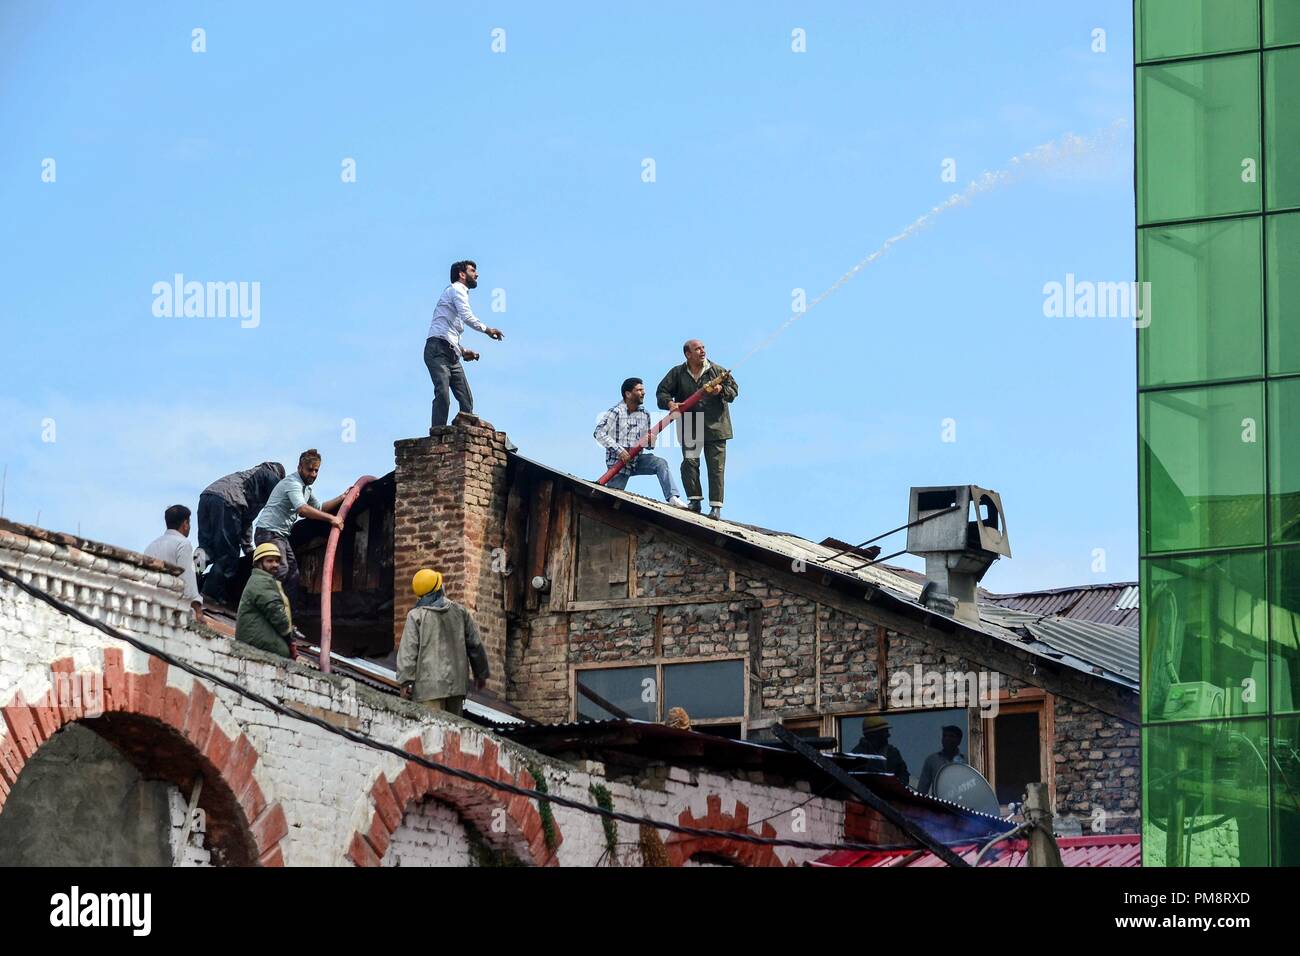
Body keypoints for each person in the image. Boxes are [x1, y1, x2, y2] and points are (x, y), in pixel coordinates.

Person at [251, 449, 347, 614]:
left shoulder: (306, 489)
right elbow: (303, 510)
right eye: (310, 470)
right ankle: (264, 610)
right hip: (268, 531)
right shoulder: (293, 483)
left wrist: (342, 497)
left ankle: (288, 617)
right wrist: (332, 519)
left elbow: (318, 508)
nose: (313, 474)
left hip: (280, 535)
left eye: (316, 470)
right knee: (280, 570)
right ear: (300, 468)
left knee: (293, 576)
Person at [655, 339, 738, 520]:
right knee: (690, 463)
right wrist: (670, 403)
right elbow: (661, 392)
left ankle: (715, 507)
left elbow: (733, 391)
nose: (702, 351)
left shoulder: (717, 370)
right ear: (688, 354)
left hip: (716, 426)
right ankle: (694, 500)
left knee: (716, 468)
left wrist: (720, 390)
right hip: (690, 424)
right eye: (697, 349)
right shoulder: (677, 373)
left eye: (703, 348)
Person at [396, 569, 490, 716]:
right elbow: (475, 645)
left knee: (431, 734)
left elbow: (408, 652)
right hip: (456, 688)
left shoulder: (416, 616)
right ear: (440, 587)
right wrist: (481, 673)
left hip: (428, 689)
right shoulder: (460, 612)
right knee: (452, 735)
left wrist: (405, 682)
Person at [425, 260, 506, 428]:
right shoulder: (456, 290)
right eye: (472, 270)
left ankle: (463, 435)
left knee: (466, 399)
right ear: (462, 274)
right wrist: (488, 330)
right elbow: (467, 316)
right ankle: (438, 434)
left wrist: (462, 351)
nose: (476, 274)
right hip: (437, 350)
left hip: (451, 353)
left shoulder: (456, 294)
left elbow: (450, 331)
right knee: (443, 395)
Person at [197, 461, 285, 608]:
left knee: (206, 548)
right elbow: (282, 491)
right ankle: (210, 595)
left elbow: (246, 521)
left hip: (207, 497)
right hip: (227, 501)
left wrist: (248, 548)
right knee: (228, 555)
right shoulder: (267, 473)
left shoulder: (249, 481)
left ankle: (191, 580)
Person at [595, 377, 687, 507]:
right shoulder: (616, 412)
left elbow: (646, 443)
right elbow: (599, 433)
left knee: (660, 463)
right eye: (639, 390)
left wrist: (650, 442)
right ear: (628, 394)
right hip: (618, 465)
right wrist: (619, 451)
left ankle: (672, 497)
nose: (643, 393)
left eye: (643, 390)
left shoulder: (645, 414)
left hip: (636, 460)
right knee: (612, 501)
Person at [144, 505, 203, 624]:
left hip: (149, 606)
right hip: (173, 610)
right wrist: (198, 611)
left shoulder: (151, 545)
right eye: (189, 523)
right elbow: (188, 581)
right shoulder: (183, 544)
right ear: (185, 524)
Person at [233, 542, 294, 658]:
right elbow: (276, 613)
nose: (275, 564)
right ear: (259, 564)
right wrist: (289, 636)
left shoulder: (263, 580)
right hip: (254, 640)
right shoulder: (261, 582)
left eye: (277, 561)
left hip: (253, 637)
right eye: (270, 561)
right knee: (285, 652)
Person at [850, 716, 910, 784]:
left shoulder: (892, 752)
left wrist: (899, 786)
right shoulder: (857, 756)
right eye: (885, 732)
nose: (888, 735)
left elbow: (903, 773)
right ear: (873, 735)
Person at [916, 725, 968, 795]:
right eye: (944, 736)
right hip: (938, 804)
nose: (947, 739)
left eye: (951, 736)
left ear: (959, 740)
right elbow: (922, 789)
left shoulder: (967, 761)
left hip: (962, 803)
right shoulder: (932, 760)